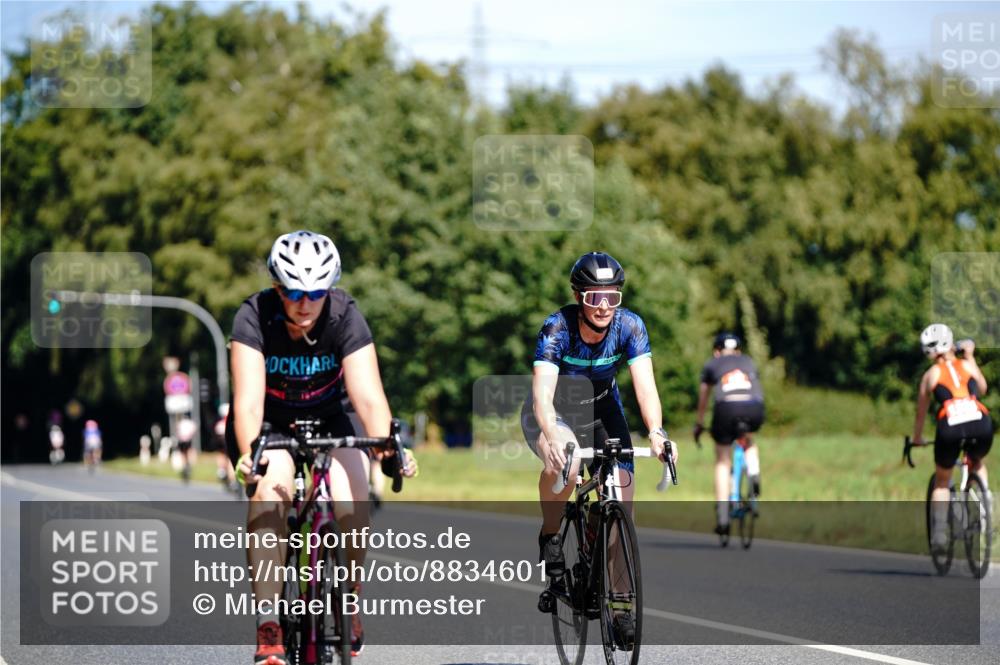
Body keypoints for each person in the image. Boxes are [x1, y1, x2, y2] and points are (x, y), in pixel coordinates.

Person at [226, 230, 416, 664]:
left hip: (334, 415)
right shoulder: (252, 316)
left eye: (316, 292)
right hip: (272, 422)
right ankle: (269, 623)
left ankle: (347, 597)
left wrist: (391, 446)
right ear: (278, 287)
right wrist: (248, 453)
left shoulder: (345, 314)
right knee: (269, 494)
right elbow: (248, 401)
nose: (305, 303)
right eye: (293, 292)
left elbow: (368, 396)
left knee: (353, 497)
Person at [522, 251, 672, 646]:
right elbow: (541, 395)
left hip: (604, 410)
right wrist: (551, 435)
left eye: (611, 298)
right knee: (567, 468)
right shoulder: (557, 328)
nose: (604, 307)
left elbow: (645, 386)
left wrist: (656, 431)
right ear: (578, 296)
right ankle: (552, 535)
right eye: (594, 298)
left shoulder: (631, 327)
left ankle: (620, 605)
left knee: (621, 500)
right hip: (557, 411)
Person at [912, 324, 992, 553]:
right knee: (977, 462)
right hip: (980, 421)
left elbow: (921, 412)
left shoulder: (931, 375)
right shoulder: (966, 364)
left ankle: (939, 535)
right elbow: (983, 388)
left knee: (941, 480)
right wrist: (970, 356)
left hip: (950, 425)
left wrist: (917, 438)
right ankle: (986, 504)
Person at [694, 332, 765, 537]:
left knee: (723, 460)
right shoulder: (748, 361)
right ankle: (753, 470)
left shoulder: (712, 364)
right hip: (754, 406)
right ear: (739, 351)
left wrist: (699, 424)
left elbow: (704, 398)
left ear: (717, 352)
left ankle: (723, 516)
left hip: (726, 409)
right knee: (748, 440)